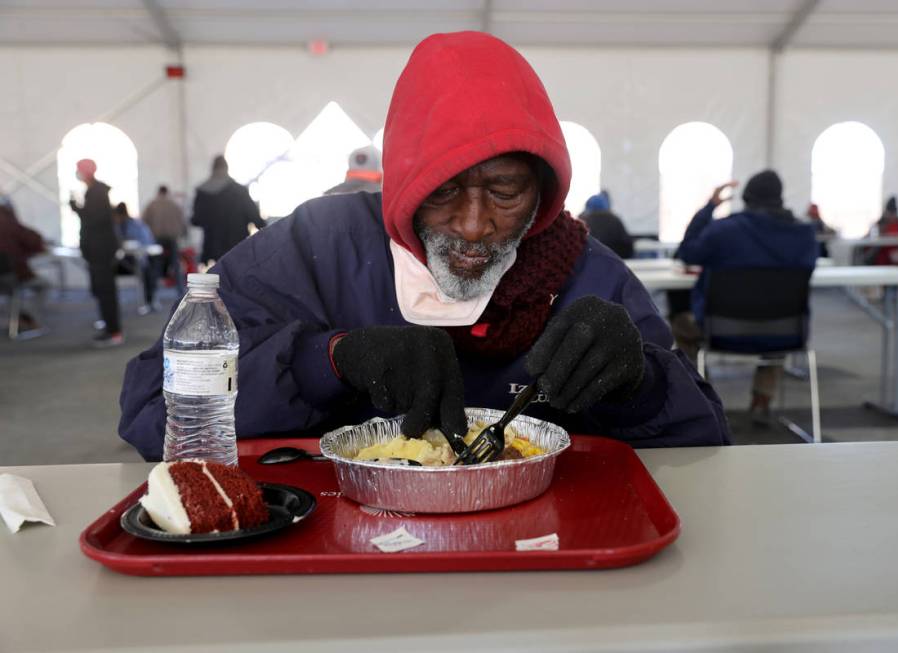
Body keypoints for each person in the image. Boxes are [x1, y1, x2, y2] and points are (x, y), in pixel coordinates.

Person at [119, 31, 729, 461]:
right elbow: (152, 407)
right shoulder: (316, 247)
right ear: (402, 183)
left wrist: (638, 381)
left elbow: (705, 446)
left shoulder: (586, 275)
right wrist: (328, 360)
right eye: (441, 192)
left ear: (543, 189)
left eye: (505, 191)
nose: (472, 225)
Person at [674, 172, 818, 425]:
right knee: (776, 312)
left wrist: (710, 207)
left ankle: (703, 400)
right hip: (786, 332)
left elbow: (686, 253)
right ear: (780, 198)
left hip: (720, 330)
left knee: (679, 323)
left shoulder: (724, 231)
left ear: (746, 197)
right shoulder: (804, 236)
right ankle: (762, 400)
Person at [69, 159, 123, 347]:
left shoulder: (97, 193)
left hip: (101, 252)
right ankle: (109, 327)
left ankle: (114, 331)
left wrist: (77, 209)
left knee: (106, 291)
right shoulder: (95, 192)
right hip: (98, 252)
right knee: (101, 290)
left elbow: (94, 221)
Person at [190, 155, 265, 266]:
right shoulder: (239, 190)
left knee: (220, 277)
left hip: (213, 246)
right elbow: (253, 216)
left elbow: (196, 220)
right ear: (226, 168)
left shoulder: (202, 192)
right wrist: (264, 229)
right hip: (237, 243)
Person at [0, 193, 48, 334]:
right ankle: (28, 318)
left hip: (6, 278)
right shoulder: (8, 223)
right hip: (12, 276)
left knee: (10, 292)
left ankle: (19, 319)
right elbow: (32, 239)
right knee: (44, 286)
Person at [113, 202, 159, 312]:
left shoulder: (136, 226)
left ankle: (150, 301)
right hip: (122, 260)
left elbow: (146, 243)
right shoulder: (116, 227)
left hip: (138, 258)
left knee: (147, 269)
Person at [142, 185, 187, 294]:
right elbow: (183, 222)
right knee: (176, 265)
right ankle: (181, 292)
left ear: (158, 192)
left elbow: (144, 220)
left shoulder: (152, 204)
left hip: (157, 239)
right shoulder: (175, 205)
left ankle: (153, 295)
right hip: (172, 239)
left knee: (156, 266)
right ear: (167, 192)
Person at [578, 191, 634, 259]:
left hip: (588, 264)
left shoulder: (582, 221)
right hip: (613, 263)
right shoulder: (615, 221)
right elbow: (628, 248)